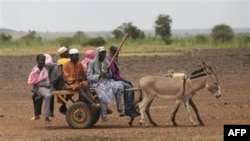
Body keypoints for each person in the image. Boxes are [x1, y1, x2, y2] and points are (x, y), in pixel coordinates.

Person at [86, 46, 124, 122]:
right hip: (96, 83)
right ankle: (104, 115)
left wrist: (107, 72)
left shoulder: (106, 62)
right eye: (101, 54)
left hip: (106, 81)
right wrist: (99, 75)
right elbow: (89, 76)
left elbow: (110, 76)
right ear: (97, 54)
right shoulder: (92, 63)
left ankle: (120, 108)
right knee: (102, 93)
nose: (103, 55)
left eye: (104, 54)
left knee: (119, 86)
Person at [107, 46, 140, 117]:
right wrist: (124, 80)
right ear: (112, 52)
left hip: (114, 79)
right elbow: (114, 76)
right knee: (128, 86)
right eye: (116, 52)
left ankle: (130, 107)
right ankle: (128, 109)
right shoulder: (110, 60)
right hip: (111, 80)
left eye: (118, 52)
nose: (117, 53)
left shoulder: (112, 59)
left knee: (130, 86)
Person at [28, 54, 55, 127]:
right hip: (39, 87)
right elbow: (35, 83)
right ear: (37, 61)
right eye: (41, 60)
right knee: (48, 95)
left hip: (47, 86)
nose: (42, 62)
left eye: (43, 60)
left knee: (52, 94)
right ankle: (47, 118)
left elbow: (55, 65)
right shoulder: (35, 70)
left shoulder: (45, 67)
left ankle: (50, 113)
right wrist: (47, 83)